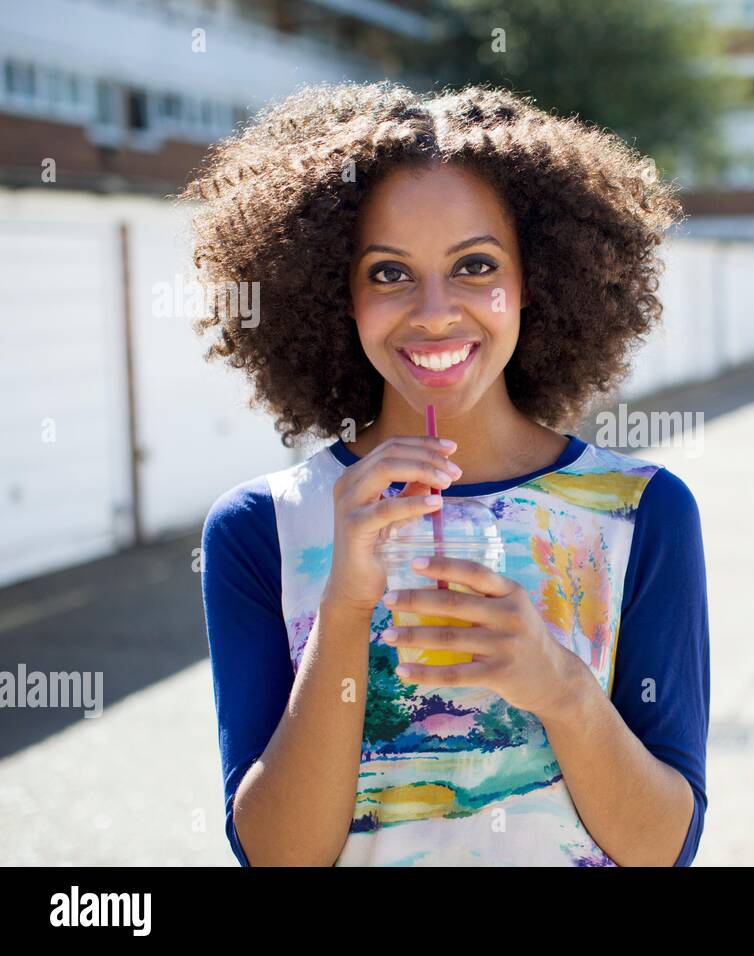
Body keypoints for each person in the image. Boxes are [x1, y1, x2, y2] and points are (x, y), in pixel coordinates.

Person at [188, 83, 709, 867]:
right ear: (340, 296)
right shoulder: (260, 527)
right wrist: (345, 607)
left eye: (474, 265)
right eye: (389, 274)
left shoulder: (642, 513)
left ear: (535, 281)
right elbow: (278, 857)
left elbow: (663, 847)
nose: (434, 312)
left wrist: (560, 687)